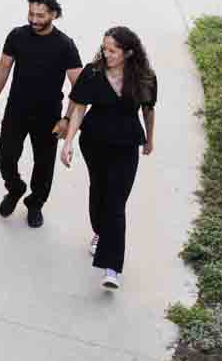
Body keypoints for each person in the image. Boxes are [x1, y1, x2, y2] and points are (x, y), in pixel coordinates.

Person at [60, 26, 157, 291]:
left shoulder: (144, 77)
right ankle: (100, 232)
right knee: (99, 195)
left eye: (113, 50)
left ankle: (112, 268)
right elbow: (79, 107)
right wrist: (68, 142)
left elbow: (148, 110)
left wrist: (150, 138)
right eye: (104, 48)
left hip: (126, 146)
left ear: (128, 52)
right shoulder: (92, 73)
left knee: (116, 203)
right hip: (95, 143)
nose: (107, 53)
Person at [0, 0, 83, 229]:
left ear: (54, 15)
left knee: (44, 163)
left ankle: (35, 203)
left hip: (48, 114)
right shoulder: (17, 36)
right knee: (5, 156)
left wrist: (67, 119)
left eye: (40, 15)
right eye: (31, 14)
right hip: (16, 108)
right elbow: (3, 68)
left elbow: (79, 86)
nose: (34, 19)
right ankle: (15, 187)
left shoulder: (65, 45)